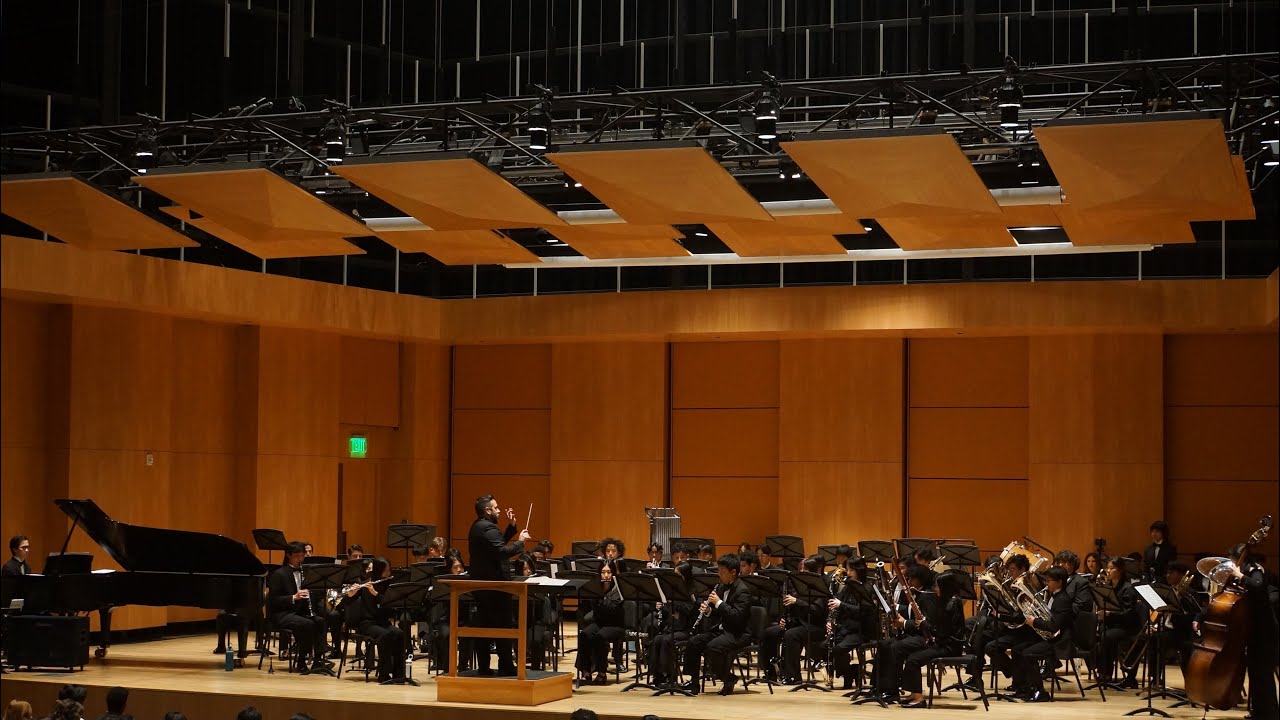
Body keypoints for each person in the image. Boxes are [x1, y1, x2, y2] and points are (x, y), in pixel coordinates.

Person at [467, 494, 530, 676]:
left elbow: (496, 544)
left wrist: (511, 528)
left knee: (486, 627)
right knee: (503, 627)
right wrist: (521, 541)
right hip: (496, 587)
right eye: (496, 508)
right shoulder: (487, 528)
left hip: (483, 586)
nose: (499, 510)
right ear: (487, 510)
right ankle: (506, 666)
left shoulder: (479, 527)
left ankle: (485, 667)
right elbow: (502, 551)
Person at [681, 554, 753, 695]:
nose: (719, 574)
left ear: (733, 572)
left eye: (722, 571)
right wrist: (708, 610)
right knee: (694, 642)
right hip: (722, 630)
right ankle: (693, 682)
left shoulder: (743, 591)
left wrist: (719, 603)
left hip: (738, 632)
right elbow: (719, 613)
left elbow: (736, 617)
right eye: (718, 570)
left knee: (712, 647)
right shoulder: (721, 586)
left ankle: (728, 677)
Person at [1009, 566, 1075, 702]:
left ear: (1059, 582)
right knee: (1017, 650)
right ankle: (1025, 688)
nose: (1046, 583)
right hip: (1050, 638)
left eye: (1049, 580)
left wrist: (1035, 622)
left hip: (1059, 641)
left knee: (1028, 654)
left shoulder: (1063, 600)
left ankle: (1040, 691)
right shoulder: (1053, 596)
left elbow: (1054, 626)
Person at [266, 541, 332, 674]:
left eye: (302, 556)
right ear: (288, 555)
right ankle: (301, 661)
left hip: (299, 612)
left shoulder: (306, 573)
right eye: (297, 556)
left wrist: (311, 593)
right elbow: (273, 601)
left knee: (320, 621)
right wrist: (293, 597)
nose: (300, 559)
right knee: (307, 624)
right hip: (281, 614)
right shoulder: (279, 574)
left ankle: (318, 660)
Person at [342, 556, 407, 683]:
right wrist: (351, 594)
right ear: (378, 570)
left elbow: (391, 608)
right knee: (385, 635)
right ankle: (383, 674)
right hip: (367, 624)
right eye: (386, 571)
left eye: (389, 570)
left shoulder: (389, 585)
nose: (388, 573)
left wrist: (376, 595)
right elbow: (346, 604)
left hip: (383, 622)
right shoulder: (365, 584)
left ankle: (399, 674)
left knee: (399, 634)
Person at [575, 560, 626, 686]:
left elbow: (612, 610)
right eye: (603, 572)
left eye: (609, 572)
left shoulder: (618, 590)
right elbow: (595, 612)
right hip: (600, 623)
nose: (606, 575)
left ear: (613, 574)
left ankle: (601, 672)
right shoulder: (596, 588)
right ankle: (586, 670)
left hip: (615, 625)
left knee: (600, 636)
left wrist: (600, 597)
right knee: (585, 634)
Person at [1097, 557, 1140, 687]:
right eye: (1108, 568)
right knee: (1096, 634)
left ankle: (1106, 674)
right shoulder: (1109, 586)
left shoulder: (1127, 589)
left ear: (1120, 570)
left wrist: (1110, 614)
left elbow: (1128, 614)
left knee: (1107, 637)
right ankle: (1102, 671)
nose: (1108, 571)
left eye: (1112, 568)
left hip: (1127, 626)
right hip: (1113, 624)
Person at [825, 556, 867, 690]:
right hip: (845, 628)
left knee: (838, 649)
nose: (847, 573)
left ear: (858, 570)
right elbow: (837, 607)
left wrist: (841, 605)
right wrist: (830, 621)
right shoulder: (847, 587)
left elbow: (864, 612)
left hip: (861, 629)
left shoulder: (867, 588)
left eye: (850, 570)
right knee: (824, 647)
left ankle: (849, 673)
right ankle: (850, 671)